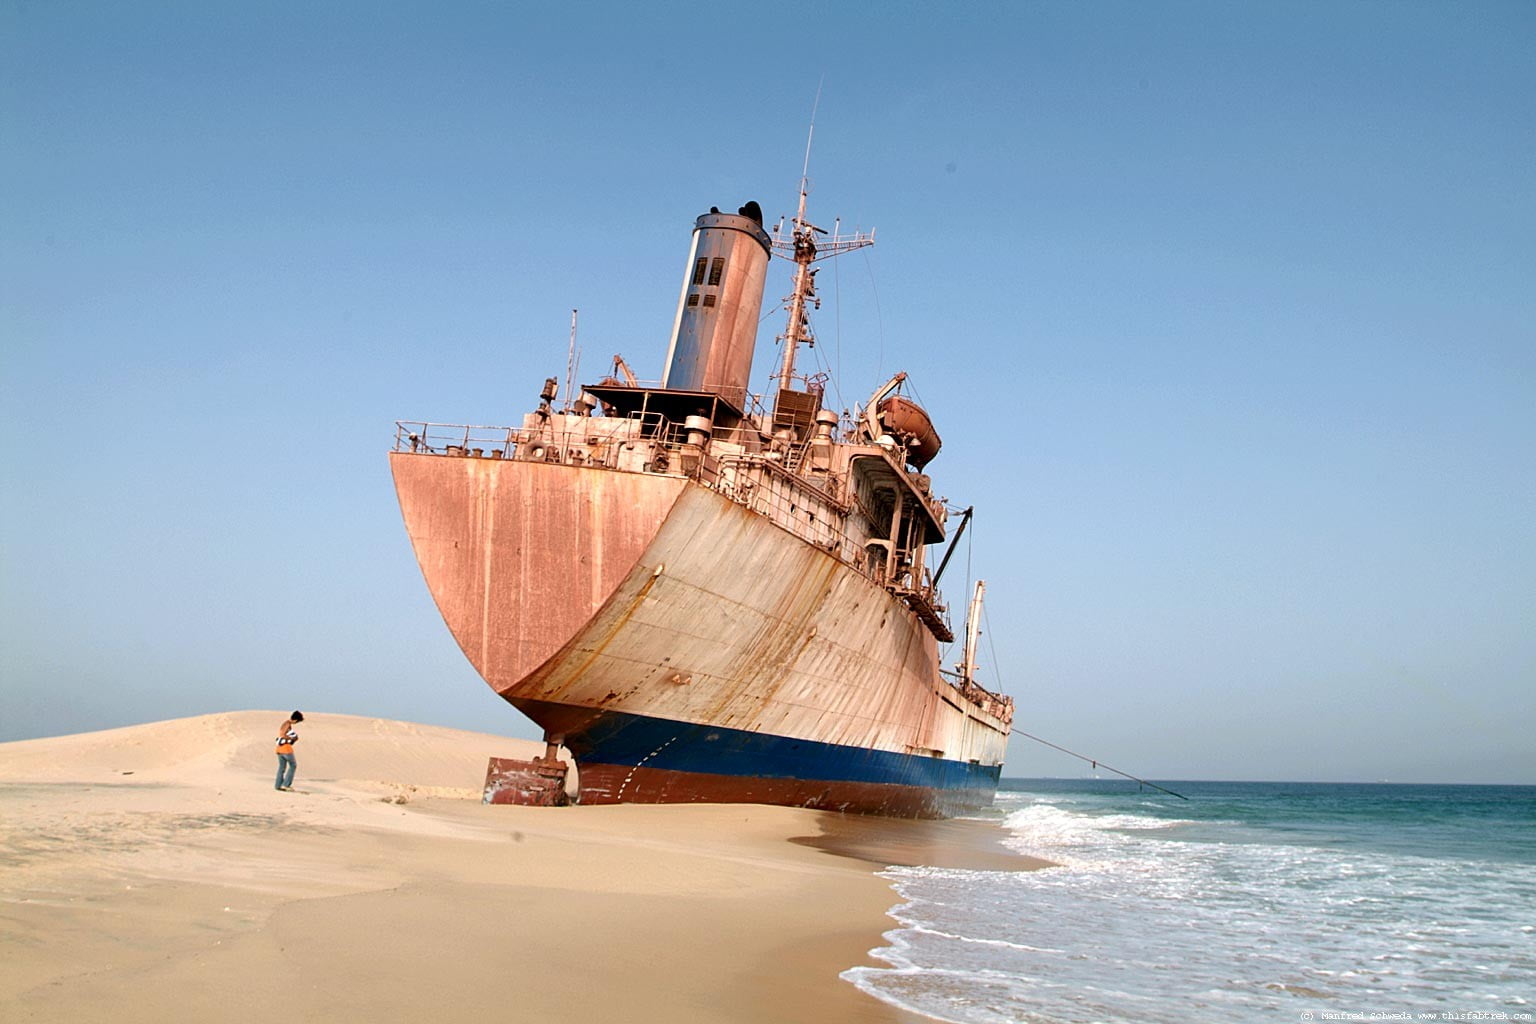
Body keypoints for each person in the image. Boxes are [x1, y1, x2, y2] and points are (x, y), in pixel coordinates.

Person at [275, 711, 304, 791]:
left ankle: (278, 785)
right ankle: (286, 784)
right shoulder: (288, 724)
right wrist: (292, 738)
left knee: (282, 767)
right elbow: (283, 735)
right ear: (295, 720)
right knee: (293, 765)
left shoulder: (285, 723)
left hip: (279, 748)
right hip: (286, 749)